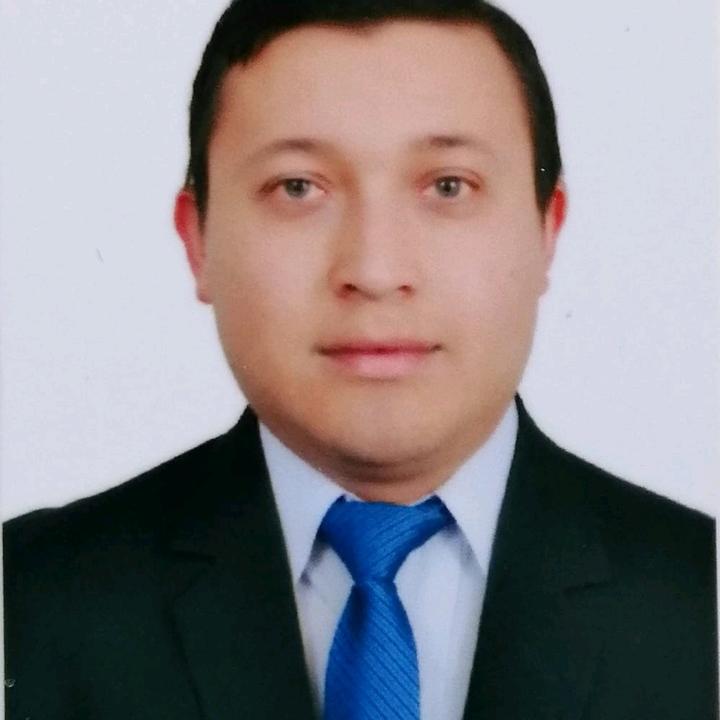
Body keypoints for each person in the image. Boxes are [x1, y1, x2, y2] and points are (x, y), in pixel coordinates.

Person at [4, 1, 717, 718]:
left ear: (546, 231)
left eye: (448, 186)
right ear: (198, 242)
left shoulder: (699, 599)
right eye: (298, 187)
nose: (375, 271)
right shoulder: (27, 602)